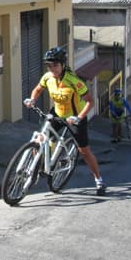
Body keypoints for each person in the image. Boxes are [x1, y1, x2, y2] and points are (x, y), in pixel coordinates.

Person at [24, 46, 105, 195]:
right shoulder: (47, 77)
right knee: (40, 139)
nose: (52, 68)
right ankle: (38, 168)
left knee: (84, 151)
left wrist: (79, 117)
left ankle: (99, 180)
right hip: (57, 113)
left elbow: (90, 101)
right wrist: (32, 99)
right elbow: (38, 89)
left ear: (62, 64)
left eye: (55, 65)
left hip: (74, 117)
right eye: (49, 65)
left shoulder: (73, 80)